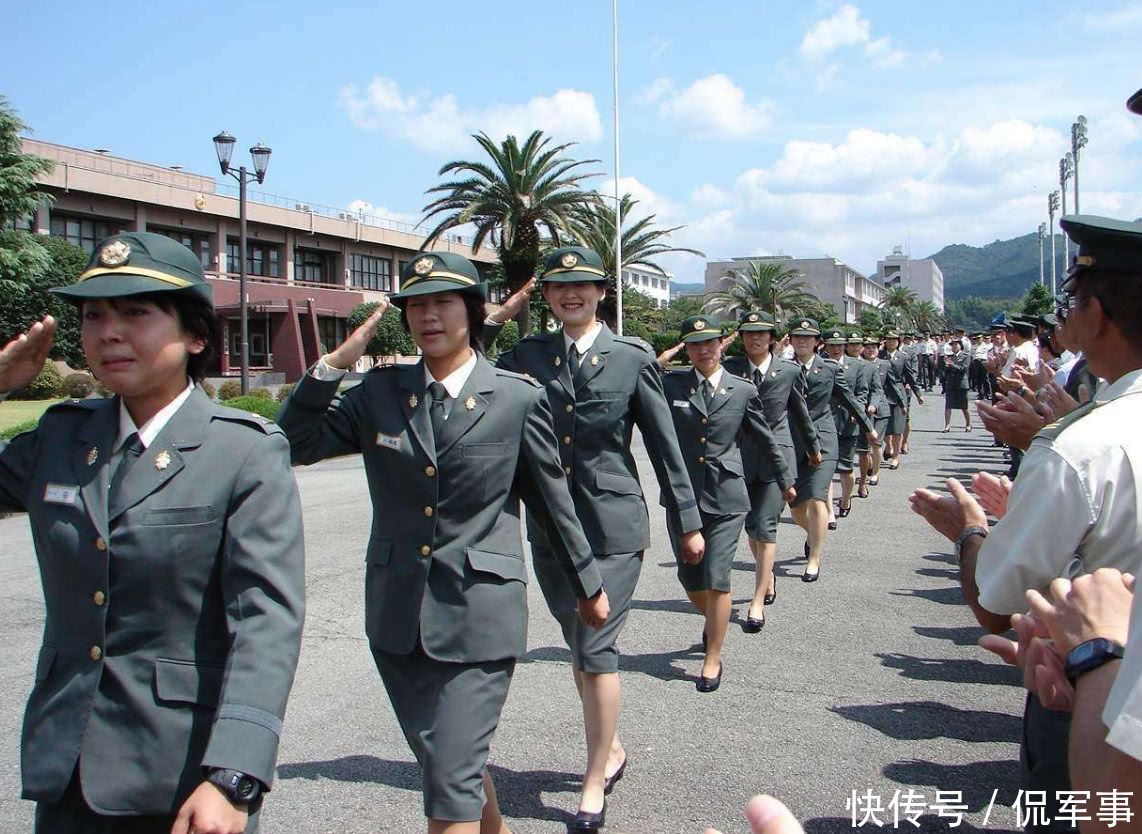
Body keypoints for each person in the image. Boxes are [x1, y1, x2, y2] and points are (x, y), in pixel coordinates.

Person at [278, 252, 610, 834]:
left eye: (443, 303)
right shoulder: (377, 393)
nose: (429, 316)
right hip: (396, 616)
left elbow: (553, 505)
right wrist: (330, 367)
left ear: (474, 311)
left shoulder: (516, 398)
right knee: (447, 764)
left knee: (449, 785)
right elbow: (295, 443)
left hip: (479, 614)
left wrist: (588, 587)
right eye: (417, 305)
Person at [0, 232, 306, 834]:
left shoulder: (241, 451)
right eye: (93, 315)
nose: (109, 332)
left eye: (135, 312)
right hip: (67, 766)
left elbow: (267, 622)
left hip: (183, 776)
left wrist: (233, 775)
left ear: (196, 335)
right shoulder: (60, 439)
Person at [911, 214, 1142, 833]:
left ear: (1094, 316)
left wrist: (970, 531)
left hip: (1104, 699)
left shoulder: (1082, 444)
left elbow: (997, 600)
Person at [491, 246, 703, 830]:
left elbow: (665, 446)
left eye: (582, 285)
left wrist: (687, 521)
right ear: (547, 296)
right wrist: (500, 314)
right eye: (558, 287)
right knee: (578, 643)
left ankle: (592, 780)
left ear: (601, 292)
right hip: (552, 528)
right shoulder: (529, 354)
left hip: (612, 526)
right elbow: (464, 361)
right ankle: (610, 746)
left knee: (596, 646)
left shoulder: (631, 358)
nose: (571, 295)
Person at [660, 315, 787, 688]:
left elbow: (765, 438)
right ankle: (714, 621)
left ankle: (712, 656)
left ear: (722, 345)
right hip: (683, 497)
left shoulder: (742, 389)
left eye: (710, 342)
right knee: (690, 576)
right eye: (695, 344)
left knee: (717, 576)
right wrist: (664, 358)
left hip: (728, 496)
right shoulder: (672, 385)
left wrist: (787, 480)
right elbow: (638, 377)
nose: (703, 350)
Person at [722, 311, 817, 628]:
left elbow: (800, 414)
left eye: (761, 333)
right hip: (741, 457)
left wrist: (814, 447)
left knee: (765, 525)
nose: (755, 338)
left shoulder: (788, 371)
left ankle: (757, 601)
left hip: (778, 457)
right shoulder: (730, 369)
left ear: (772, 338)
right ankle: (768, 576)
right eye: (748, 333)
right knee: (752, 526)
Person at [786, 319, 877, 582]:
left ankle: (814, 558)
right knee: (796, 507)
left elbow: (849, 400)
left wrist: (868, 427)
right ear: (790, 340)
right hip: (793, 441)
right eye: (798, 337)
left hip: (824, 439)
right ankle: (813, 533)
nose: (803, 341)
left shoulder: (828, 370)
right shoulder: (783, 369)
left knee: (816, 497)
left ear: (818, 342)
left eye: (808, 337)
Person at [822, 329, 868, 521]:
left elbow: (862, 392)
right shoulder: (820, 364)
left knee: (846, 470)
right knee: (826, 469)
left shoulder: (856, 365)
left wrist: (856, 412)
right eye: (832, 345)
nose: (835, 349)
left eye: (839, 345)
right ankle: (829, 512)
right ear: (825, 346)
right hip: (826, 422)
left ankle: (846, 499)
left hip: (849, 423)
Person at [880, 331, 923, 469]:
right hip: (883, 391)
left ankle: (896, 457)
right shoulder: (879, 355)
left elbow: (910, 376)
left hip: (899, 391)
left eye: (894, 340)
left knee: (898, 427)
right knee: (885, 426)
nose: (891, 342)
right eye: (889, 339)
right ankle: (889, 446)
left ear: (899, 341)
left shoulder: (903, 357)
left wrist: (918, 393)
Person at [862, 334, 890, 487]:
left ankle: (875, 473)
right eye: (867, 347)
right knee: (865, 446)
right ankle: (870, 463)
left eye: (873, 347)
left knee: (877, 444)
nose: (870, 350)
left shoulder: (885, 365)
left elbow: (892, 385)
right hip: (864, 410)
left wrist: (901, 402)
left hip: (881, 409)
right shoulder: (859, 365)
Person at [942, 338, 971, 432]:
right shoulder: (950, 357)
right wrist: (946, 366)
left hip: (961, 384)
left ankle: (968, 424)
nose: (954, 346)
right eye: (952, 345)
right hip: (951, 383)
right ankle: (947, 425)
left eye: (956, 344)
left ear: (960, 346)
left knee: (964, 407)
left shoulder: (965, 356)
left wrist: (952, 365)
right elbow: (945, 372)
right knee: (948, 406)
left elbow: (964, 369)